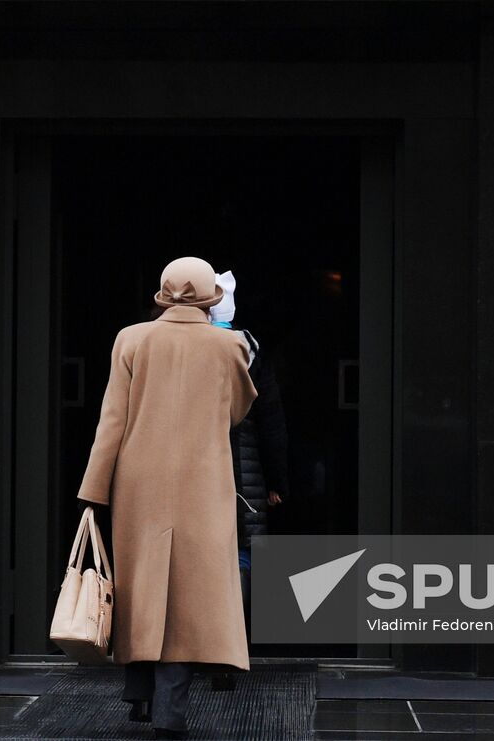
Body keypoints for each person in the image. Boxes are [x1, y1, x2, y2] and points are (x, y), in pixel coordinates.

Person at [77, 255, 258, 740]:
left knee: (142, 586)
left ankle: (139, 693)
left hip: (138, 482)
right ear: (211, 296)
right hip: (203, 482)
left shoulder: (131, 339)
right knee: (187, 599)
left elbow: (112, 419)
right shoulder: (229, 345)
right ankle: (169, 714)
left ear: (162, 293)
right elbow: (237, 411)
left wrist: (93, 490)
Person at [206, 270, 289, 692]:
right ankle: (230, 652)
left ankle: (198, 647)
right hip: (247, 468)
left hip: (199, 467)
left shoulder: (190, 348)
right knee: (240, 554)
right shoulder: (250, 352)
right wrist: (276, 480)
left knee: (199, 554)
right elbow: (272, 420)